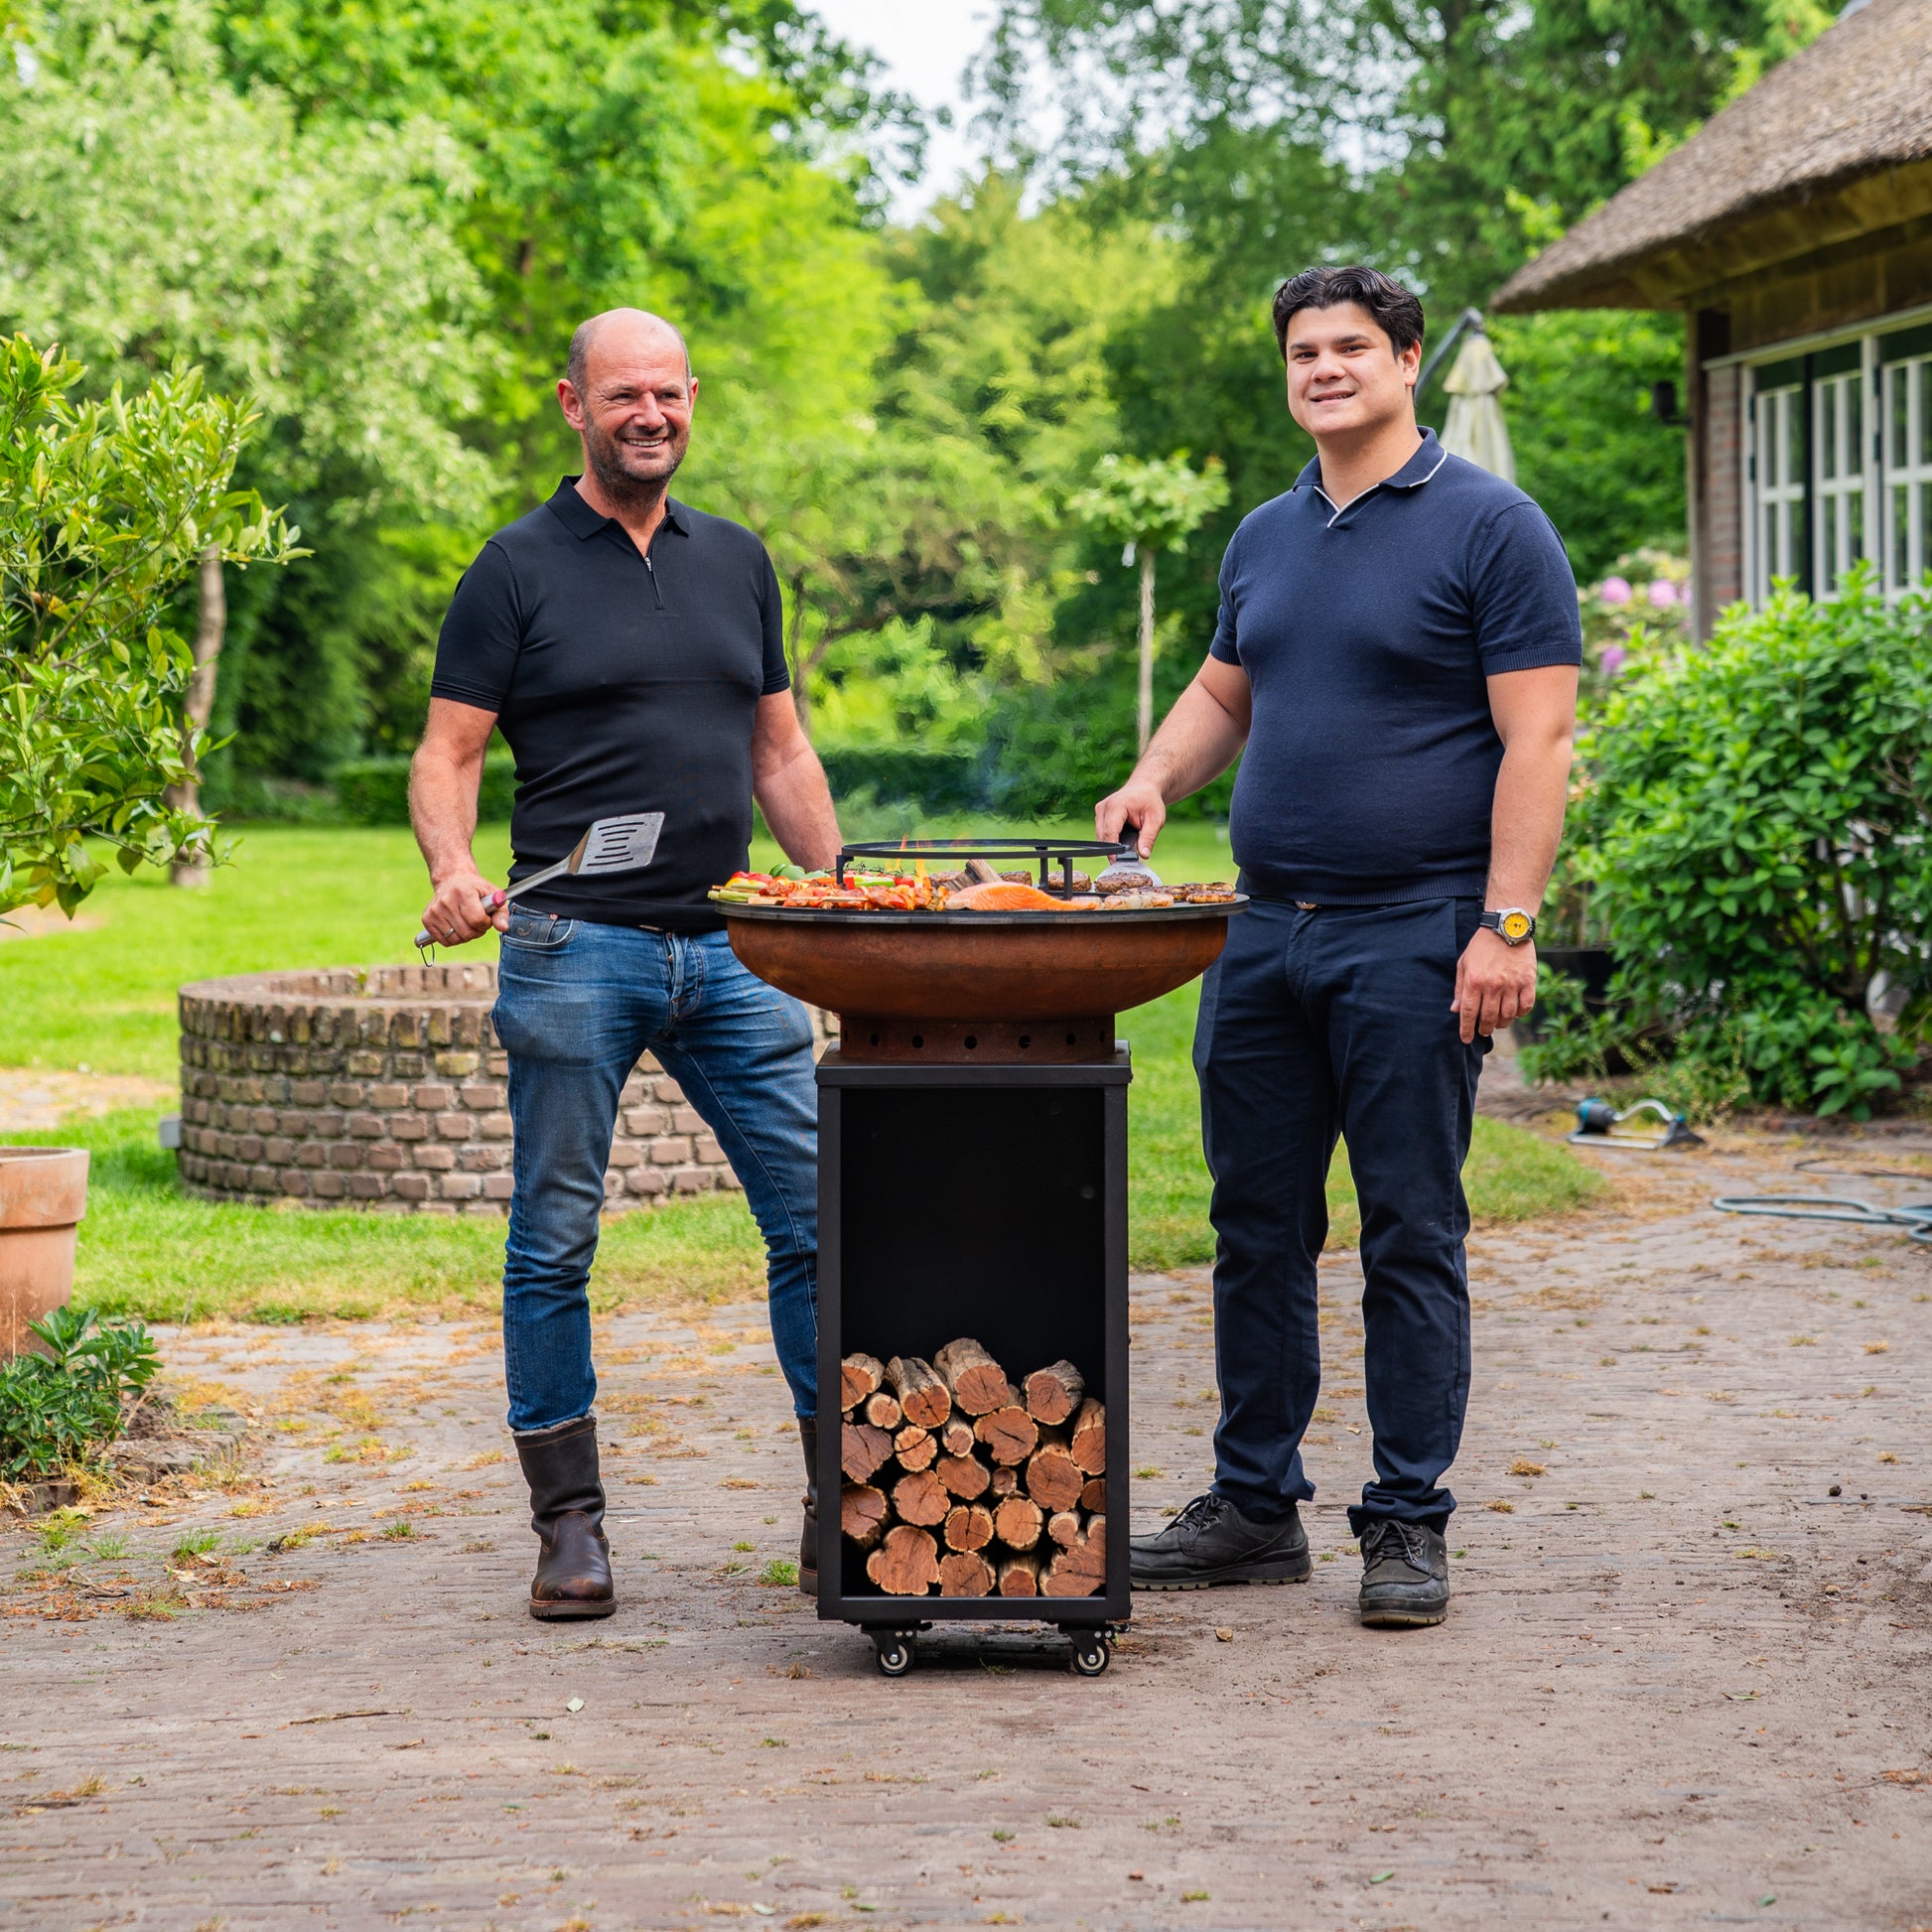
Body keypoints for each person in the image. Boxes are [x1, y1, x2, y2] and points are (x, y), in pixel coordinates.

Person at [1099, 266, 1580, 1627]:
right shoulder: (1263, 533)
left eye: (1350, 347)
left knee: (1409, 1232)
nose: (1323, 367)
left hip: (1415, 936)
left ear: (1406, 360)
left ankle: (1406, 1519)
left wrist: (1505, 921)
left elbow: (1538, 738)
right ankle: (1254, 1505)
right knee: (1253, 1226)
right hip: (1260, 932)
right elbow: (1222, 686)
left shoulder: (1494, 528)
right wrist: (1155, 778)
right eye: (1304, 350)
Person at [410, 309, 841, 1619]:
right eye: (622, 396)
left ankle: (848, 1504)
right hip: (569, 947)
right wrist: (448, 864)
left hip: (735, 950)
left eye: (667, 394)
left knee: (822, 1219)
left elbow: (781, 755)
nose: (647, 415)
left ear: (692, 400)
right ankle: (570, 1526)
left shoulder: (740, 562)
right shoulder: (514, 568)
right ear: (571, 404)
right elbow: (449, 754)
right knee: (553, 1235)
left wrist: (840, 900)